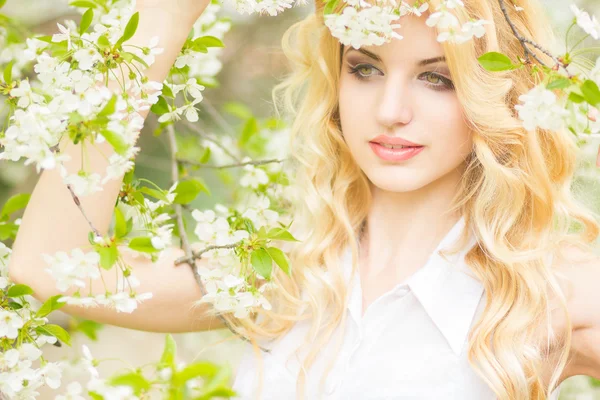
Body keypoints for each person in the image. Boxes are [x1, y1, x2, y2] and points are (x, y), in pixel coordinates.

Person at [7, 0, 600, 399]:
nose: (391, 110)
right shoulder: (279, 274)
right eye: (365, 69)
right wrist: (164, 17)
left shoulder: (547, 289)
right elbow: (48, 268)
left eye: (436, 78)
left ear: (497, 91)